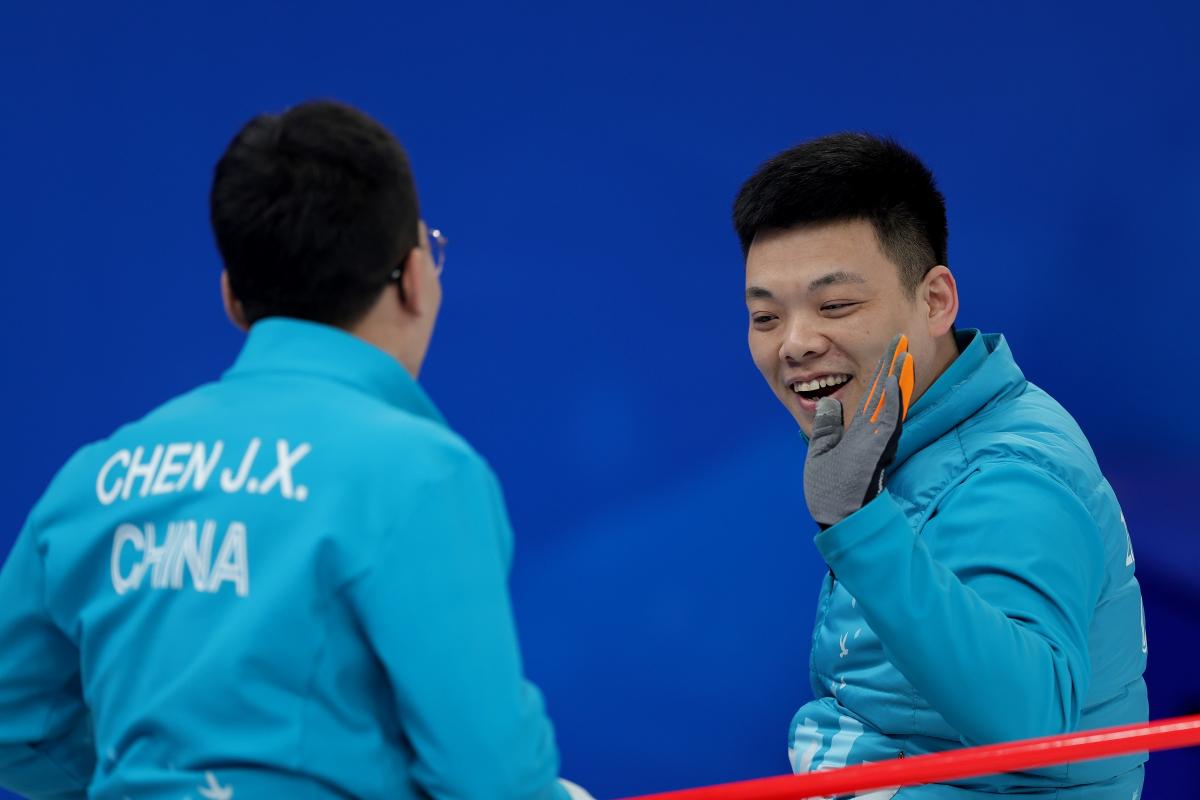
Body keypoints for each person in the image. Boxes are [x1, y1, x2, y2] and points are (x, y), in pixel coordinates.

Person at [0, 100, 590, 800]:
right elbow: (493, 781)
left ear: (233, 300)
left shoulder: (97, 478)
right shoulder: (420, 476)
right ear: (414, 277)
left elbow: (14, 723)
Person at [733, 133, 1148, 798]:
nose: (796, 343)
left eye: (835, 305)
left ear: (935, 301)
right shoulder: (905, 437)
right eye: (765, 316)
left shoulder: (1009, 473)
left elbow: (1033, 731)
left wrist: (860, 526)